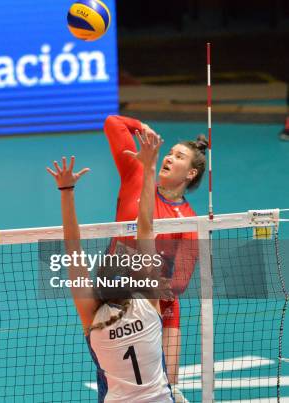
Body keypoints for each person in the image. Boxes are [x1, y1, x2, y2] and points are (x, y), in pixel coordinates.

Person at [46, 128, 173, 402]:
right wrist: (149, 168)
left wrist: (66, 191)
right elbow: (146, 227)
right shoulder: (148, 304)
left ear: (98, 289)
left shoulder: (93, 319)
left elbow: (72, 248)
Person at [104, 115, 204, 401]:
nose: (169, 158)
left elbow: (180, 281)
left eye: (179, 156)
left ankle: (172, 390)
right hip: (115, 295)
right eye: (169, 153)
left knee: (166, 388)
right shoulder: (136, 173)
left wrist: (148, 285)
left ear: (190, 174)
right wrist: (140, 127)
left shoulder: (188, 220)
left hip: (158, 303)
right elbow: (113, 122)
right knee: (117, 383)